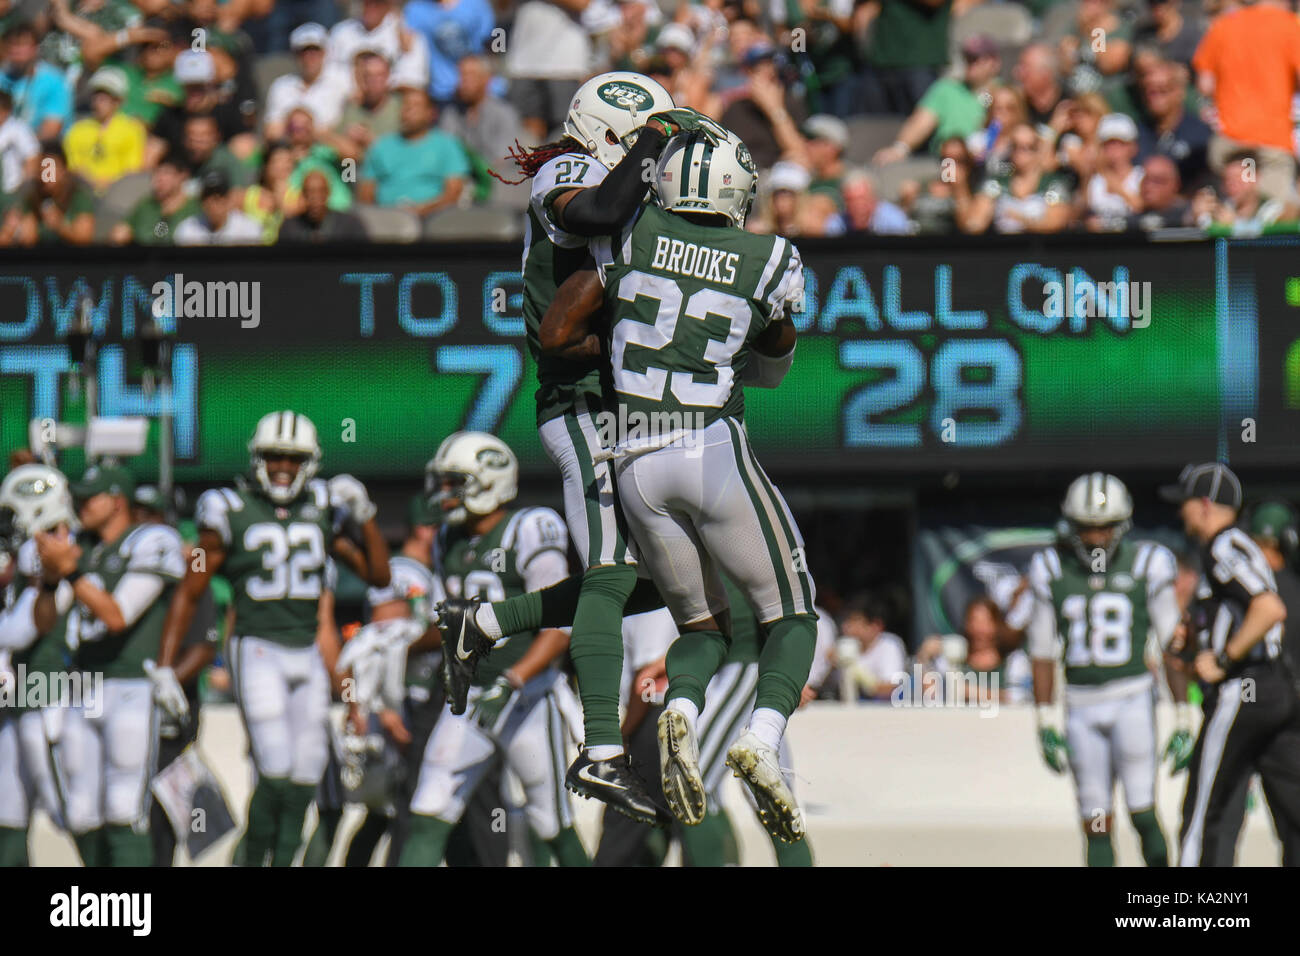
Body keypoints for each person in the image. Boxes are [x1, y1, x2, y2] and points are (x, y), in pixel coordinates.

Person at [440, 74, 713, 827]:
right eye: (637, 139)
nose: (646, 157)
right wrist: (658, 139)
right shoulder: (573, 169)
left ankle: (485, 624)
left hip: (625, 403)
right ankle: (599, 753)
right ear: (608, 131)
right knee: (608, 575)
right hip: (578, 400)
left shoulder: (628, 185)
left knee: (668, 581)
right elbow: (597, 209)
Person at [539, 128, 817, 846]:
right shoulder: (771, 257)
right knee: (793, 614)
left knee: (702, 626)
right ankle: (760, 735)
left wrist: (627, 341)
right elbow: (777, 354)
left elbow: (558, 330)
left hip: (633, 457)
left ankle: (683, 712)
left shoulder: (630, 234)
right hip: (708, 444)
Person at [158, 411, 390, 866]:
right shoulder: (230, 509)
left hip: (305, 651)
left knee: (304, 779)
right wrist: (166, 665)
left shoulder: (322, 508)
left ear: (311, 462)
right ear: (256, 458)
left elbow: (378, 575)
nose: (283, 465)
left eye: (293, 457)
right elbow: (191, 587)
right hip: (256, 648)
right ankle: (250, 860)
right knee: (277, 773)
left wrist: (365, 517)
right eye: (274, 456)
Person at [398, 432, 589, 867]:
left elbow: (560, 623)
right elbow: (451, 622)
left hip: (527, 698)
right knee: (428, 812)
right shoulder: (448, 539)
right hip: (470, 699)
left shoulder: (529, 528)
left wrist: (514, 679)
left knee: (551, 825)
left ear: (490, 482)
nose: (444, 494)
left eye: (455, 483)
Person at [32, 465, 186, 866]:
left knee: (123, 810)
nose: (82, 505)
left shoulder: (151, 539)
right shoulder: (82, 545)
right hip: (83, 685)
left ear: (118, 500)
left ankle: (132, 914)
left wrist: (69, 570)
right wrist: (51, 580)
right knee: (80, 814)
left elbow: (118, 616)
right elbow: (43, 622)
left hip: (130, 685)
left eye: (91, 496)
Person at [1027, 473, 1182, 867]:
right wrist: (1044, 717)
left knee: (1142, 811)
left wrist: (1185, 714)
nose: (1096, 537)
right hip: (1079, 704)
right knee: (1095, 820)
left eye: (1105, 527)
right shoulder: (1050, 567)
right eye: (1088, 528)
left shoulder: (1149, 562)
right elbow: (1042, 649)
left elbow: (1171, 642)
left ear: (1123, 524)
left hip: (1131, 698)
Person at [1159, 462, 1300, 866]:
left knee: (1203, 813)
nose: (1181, 513)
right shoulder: (1241, 546)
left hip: (1245, 688)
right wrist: (1193, 633)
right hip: (1277, 690)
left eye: (1185, 503)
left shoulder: (1224, 545)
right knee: (1291, 803)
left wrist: (1224, 658)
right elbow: (1237, 607)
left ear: (1205, 505)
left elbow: (1268, 609)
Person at [0, 464, 75, 866]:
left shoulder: (48, 549)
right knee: (7, 810)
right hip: (22, 697)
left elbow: (22, 630)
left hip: (52, 694)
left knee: (71, 812)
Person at [1193, 0, 1300, 206]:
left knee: (1232, 223)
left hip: (1230, 143)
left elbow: (1205, 84)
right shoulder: (1288, 25)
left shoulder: (1224, 24)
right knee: (1270, 220)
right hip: (1271, 144)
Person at [874, 33, 1002, 164]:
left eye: (977, 58)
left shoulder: (1004, 93)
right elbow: (921, 121)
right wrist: (899, 149)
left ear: (995, 62)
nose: (971, 63)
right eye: (968, 58)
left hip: (993, 161)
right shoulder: (946, 89)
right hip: (950, 162)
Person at [357, 87, 468, 215]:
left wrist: (421, 211)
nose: (408, 109)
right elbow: (366, 193)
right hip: (386, 221)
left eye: (416, 105)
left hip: (432, 221)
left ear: (430, 113)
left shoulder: (447, 145)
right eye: (405, 104)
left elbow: (453, 193)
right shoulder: (381, 146)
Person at [263, 22, 348, 140]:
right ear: (295, 55)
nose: (310, 57)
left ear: (324, 52)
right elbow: (272, 132)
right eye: (304, 51)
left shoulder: (342, 81)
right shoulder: (281, 86)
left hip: (326, 149)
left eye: (315, 50)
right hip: (288, 148)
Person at [111, 150, 199, 245]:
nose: (159, 178)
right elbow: (122, 231)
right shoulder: (147, 204)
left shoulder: (195, 209)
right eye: (157, 173)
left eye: (166, 173)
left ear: (182, 176)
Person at [0, 22, 71, 140]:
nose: (15, 50)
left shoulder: (53, 81)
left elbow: (51, 130)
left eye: (22, 45)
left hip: (42, 149)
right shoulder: (2, 77)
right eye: (12, 44)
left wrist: (25, 149)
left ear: (35, 48)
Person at [174, 168, 263, 245]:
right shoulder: (188, 229)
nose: (212, 204)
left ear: (229, 198)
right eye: (207, 197)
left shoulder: (248, 229)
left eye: (218, 197)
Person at [278, 168, 366, 242]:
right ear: (303, 194)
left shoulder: (349, 225)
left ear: (328, 193)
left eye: (320, 192)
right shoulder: (289, 228)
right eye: (310, 192)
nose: (315, 198)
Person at [1125, 154, 1190, 230]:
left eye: (1157, 181)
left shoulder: (1189, 216)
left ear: (1175, 185)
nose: (1148, 187)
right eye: (1145, 180)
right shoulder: (1129, 220)